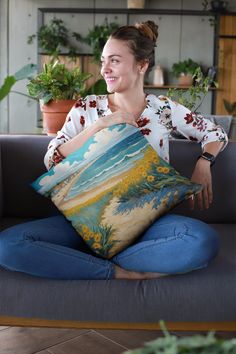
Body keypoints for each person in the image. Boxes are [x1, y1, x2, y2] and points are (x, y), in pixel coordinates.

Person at [0, 21, 228, 280]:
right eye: (103, 61)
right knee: (8, 245)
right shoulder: (87, 108)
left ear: (141, 65)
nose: (104, 69)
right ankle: (116, 271)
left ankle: (97, 258)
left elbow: (215, 133)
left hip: (146, 224)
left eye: (115, 61)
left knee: (201, 239)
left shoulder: (163, 109)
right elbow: (52, 160)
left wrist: (204, 162)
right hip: (81, 223)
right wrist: (98, 127)